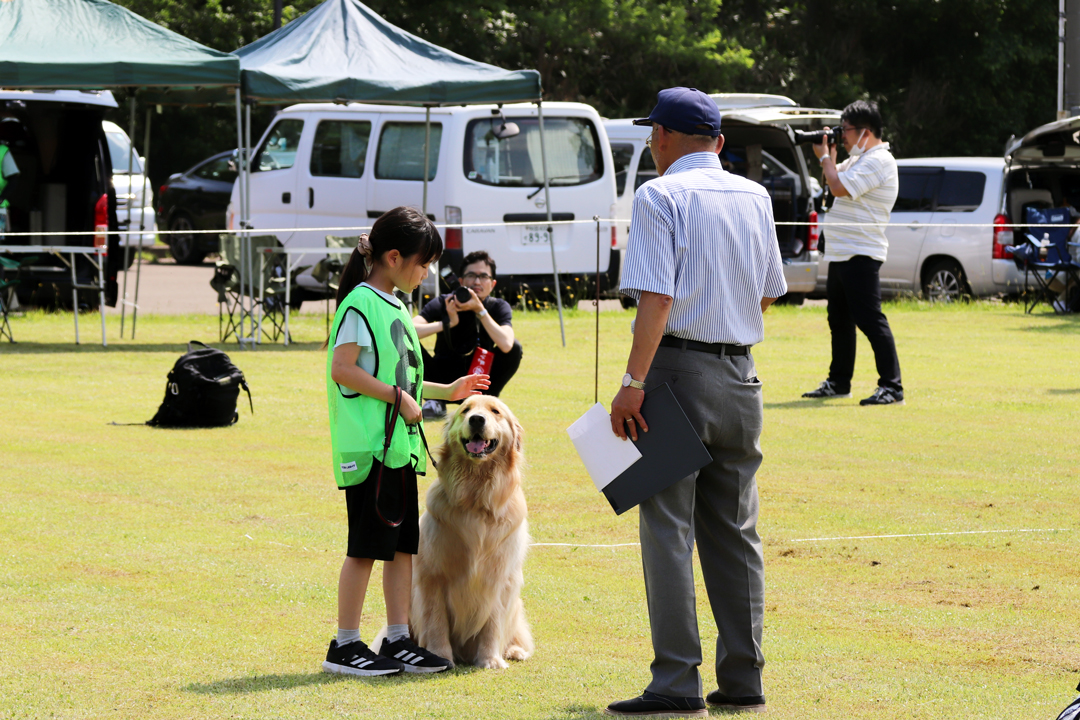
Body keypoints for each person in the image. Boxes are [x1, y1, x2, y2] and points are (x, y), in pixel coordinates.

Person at [606, 87, 787, 717]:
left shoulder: (659, 195)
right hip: (742, 374)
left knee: (667, 529)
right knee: (737, 533)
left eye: (652, 135)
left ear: (661, 136)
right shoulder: (757, 195)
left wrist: (632, 383)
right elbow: (768, 294)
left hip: (675, 370)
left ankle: (676, 680)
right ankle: (744, 678)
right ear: (716, 141)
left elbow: (655, 300)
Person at [322, 206, 490, 677]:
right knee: (366, 546)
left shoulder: (396, 305)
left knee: (402, 547)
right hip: (371, 448)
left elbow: (404, 378)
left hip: (397, 448)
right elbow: (344, 369)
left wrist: (447, 391)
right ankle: (345, 645)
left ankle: (398, 639)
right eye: (424, 262)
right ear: (393, 257)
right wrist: (397, 398)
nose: (428, 272)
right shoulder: (359, 302)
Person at [802, 100, 903, 406]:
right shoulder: (858, 160)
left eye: (845, 130)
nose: (841, 136)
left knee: (870, 320)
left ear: (865, 132)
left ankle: (892, 387)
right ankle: (839, 381)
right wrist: (828, 157)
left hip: (862, 251)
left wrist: (826, 160)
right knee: (840, 320)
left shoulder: (879, 161)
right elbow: (831, 181)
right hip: (841, 251)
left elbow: (838, 187)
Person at [412, 250, 522, 419]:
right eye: (471, 275)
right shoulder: (445, 302)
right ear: (460, 281)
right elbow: (408, 329)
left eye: (483, 276)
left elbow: (507, 344)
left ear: (492, 284)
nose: (477, 282)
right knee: (408, 343)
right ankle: (435, 400)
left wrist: (480, 310)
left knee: (515, 348)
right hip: (442, 376)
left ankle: (486, 401)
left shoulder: (497, 306)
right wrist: (446, 323)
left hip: (480, 378)